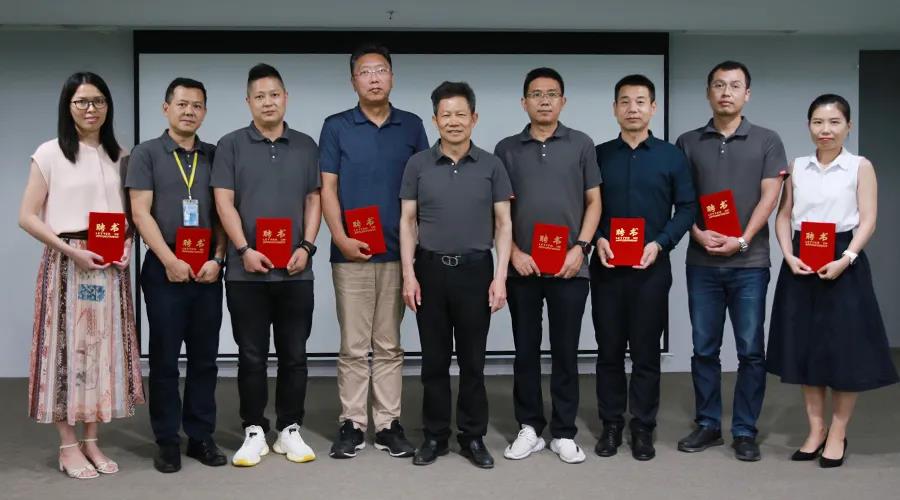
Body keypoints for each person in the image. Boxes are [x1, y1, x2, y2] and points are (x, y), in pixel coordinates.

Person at [18, 72, 144, 479]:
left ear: (108, 106)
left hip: (109, 266)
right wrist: (71, 250)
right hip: (68, 263)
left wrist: (126, 246)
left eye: (98, 101)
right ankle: (67, 444)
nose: (91, 109)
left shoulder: (121, 155)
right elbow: (27, 216)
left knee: (102, 351)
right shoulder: (50, 153)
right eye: (82, 102)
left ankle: (92, 440)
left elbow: (128, 217)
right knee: (65, 352)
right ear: (68, 107)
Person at [766, 94, 898, 468]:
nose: (826, 130)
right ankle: (815, 429)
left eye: (834, 122)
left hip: (844, 257)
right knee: (806, 347)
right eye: (818, 122)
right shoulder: (797, 166)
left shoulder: (860, 166)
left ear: (848, 126)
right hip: (801, 258)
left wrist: (847, 258)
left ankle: (838, 432)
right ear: (809, 126)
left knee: (845, 349)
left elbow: (868, 219)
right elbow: (783, 215)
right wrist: (788, 254)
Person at [319, 43, 428, 459]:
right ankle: (352, 423)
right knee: (353, 344)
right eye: (365, 72)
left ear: (392, 77)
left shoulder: (412, 125)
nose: (374, 78)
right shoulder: (336, 126)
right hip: (351, 254)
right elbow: (327, 188)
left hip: (399, 254)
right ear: (354, 81)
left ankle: (387, 424)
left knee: (388, 343)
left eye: (381, 70)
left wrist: (415, 250)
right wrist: (341, 237)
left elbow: (423, 187)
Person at [675, 60, 787, 462]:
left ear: (747, 94)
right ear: (709, 92)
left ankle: (744, 430)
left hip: (750, 263)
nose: (726, 92)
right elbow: (681, 198)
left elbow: (770, 196)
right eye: (719, 85)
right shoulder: (688, 141)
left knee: (750, 350)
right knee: (704, 348)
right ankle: (708, 424)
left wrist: (741, 240)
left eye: (735, 85)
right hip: (702, 262)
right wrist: (695, 232)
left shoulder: (767, 140)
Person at [211, 63, 322, 467]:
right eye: (259, 96)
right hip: (247, 273)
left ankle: (289, 428)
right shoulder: (230, 145)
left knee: (295, 354)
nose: (268, 102)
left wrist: (307, 246)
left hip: (295, 270)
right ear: (248, 102)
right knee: (251, 355)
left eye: (274, 94)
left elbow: (314, 199)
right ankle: (254, 429)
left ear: (285, 97)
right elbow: (223, 202)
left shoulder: (306, 145)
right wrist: (243, 249)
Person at [399, 81, 513, 469]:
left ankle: (472, 436)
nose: (453, 121)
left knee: (473, 363)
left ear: (474, 118)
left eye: (460, 114)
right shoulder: (418, 165)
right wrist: (409, 275)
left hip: (476, 271)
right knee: (433, 361)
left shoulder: (491, 165)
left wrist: (500, 277)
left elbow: (504, 223)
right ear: (435, 120)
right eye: (445, 115)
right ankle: (434, 436)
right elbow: (407, 221)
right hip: (430, 270)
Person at [494, 67, 601, 464]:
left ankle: (564, 431)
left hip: (570, 266)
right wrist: (514, 253)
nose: (544, 101)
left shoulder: (582, 144)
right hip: (522, 266)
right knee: (525, 349)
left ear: (563, 101)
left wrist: (581, 248)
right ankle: (529, 426)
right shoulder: (507, 149)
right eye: (536, 94)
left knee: (566, 350)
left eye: (551, 94)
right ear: (524, 102)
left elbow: (594, 201)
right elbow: (498, 210)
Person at [592, 75, 696, 461]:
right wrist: (598, 238)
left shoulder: (671, 156)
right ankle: (611, 424)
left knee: (646, 352)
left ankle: (642, 427)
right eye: (625, 101)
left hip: (652, 268)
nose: (632, 108)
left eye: (640, 101)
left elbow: (688, 207)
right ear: (614, 109)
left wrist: (661, 242)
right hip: (607, 267)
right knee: (608, 350)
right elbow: (585, 205)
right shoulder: (598, 155)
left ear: (653, 108)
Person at [127, 77, 227, 473]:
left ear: (205, 112)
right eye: (182, 104)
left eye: (197, 105)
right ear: (166, 107)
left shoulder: (215, 154)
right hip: (163, 267)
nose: (189, 111)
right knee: (165, 358)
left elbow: (223, 213)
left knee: (205, 358)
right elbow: (140, 213)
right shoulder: (146, 153)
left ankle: (200, 436)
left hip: (207, 269)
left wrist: (218, 258)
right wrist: (169, 259)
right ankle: (167, 439)